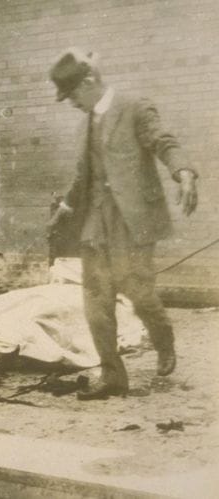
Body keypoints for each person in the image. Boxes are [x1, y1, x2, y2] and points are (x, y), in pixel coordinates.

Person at [48, 48, 198, 400]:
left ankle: (164, 339)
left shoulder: (135, 108)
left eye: (72, 95)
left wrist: (185, 172)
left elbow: (164, 142)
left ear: (89, 82)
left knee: (140, 294)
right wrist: (67, 206)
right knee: (95, 304)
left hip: (132, 222)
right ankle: (113, 377)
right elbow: (84, 175)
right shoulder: (84, 124)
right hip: (95, 224)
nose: (70, 103)